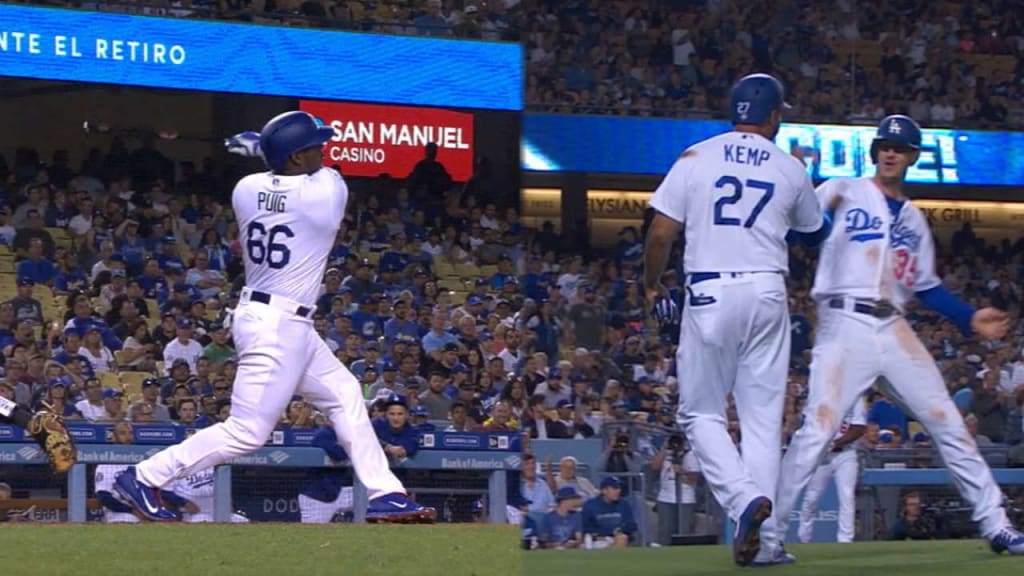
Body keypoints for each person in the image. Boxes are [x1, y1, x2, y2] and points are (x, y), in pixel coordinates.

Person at [114, 111, 435, 523]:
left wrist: (265, 147)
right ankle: (144, 476)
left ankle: (385, 493)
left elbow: (278, 174)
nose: (325, 149)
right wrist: (263, 145)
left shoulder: (246, 188)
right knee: (247, 431)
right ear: (297, 158)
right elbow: (322, 175)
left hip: (281, 319)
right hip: (275, 325)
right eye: (315, 145)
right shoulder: (324, 194)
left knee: (345, 394)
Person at [763, 115, 1024, 563]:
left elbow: (925, 286)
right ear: (875, 151)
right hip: (843, 322)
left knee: (948, 421)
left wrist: (969, 316)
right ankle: (767, 539)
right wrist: (800, 182)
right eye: (885, 145)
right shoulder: (843, 188)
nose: (890, 152)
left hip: (894, 327)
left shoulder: (915, 221)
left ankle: (997, 525)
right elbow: (802, 232)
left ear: (911, 158)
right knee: (818, 430)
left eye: (899, 148)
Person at [642, 73, 833, 566]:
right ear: (774, 116)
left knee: (700, 413)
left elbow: (661, 231)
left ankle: (745, 500)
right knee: (763, 423)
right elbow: (815, 235)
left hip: (709, 290)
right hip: (768, 291)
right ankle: (767, 545)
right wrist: (823, 198)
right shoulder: (790, 167)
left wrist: (650, 282)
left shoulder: (697, 156)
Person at [796, 397, 866, 544]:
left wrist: (835, 443)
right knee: (811, 498)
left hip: (846, 453)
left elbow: (859, 428)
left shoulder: (856, 397)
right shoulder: (820, 393)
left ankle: (845, 540)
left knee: (846, 496)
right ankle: (804, 539)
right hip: (821, 454)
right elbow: (805, 423)